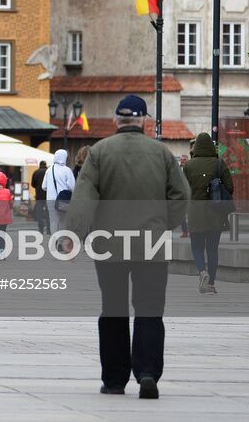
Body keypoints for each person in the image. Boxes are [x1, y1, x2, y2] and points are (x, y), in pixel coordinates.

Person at [67, 94, 190, 400]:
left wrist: (75, 235)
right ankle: (147, 373)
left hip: (108, 245)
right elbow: (181, 196)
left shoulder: (99, 152)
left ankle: (114, 380)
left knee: (113, 309)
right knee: (149, 308)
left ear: (116, 121)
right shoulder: (161, 153)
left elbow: (84, 198)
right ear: (144, 120)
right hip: (151, 243)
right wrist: (164, 224)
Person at [183, 132, 234, 295]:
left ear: (196, 147)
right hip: (216, 212)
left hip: (195, 212)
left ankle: (201, 271)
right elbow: (230, 187)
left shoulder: (189, 166)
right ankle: (211, 283)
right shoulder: (219, 164)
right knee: (212, 249)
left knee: (197, 246)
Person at [43, 148, 77, 240]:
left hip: (50, 199)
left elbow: (44, 186)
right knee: (63, 221)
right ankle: (61, 241)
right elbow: (72, 187)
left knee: (53, 221)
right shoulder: (67, 170)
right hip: (63, 200)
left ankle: (55, 240)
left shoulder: (49, 170)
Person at [31, 161, 50, 233]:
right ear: (45, 165)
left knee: (39, 213)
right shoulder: (48, 172)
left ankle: (41, 229)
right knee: (48, 213)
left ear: (40, 165)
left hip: (39, 196)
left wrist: (38, 187)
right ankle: (48, 229)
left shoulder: (36, 172)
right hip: (48, 195)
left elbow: (33, 184)